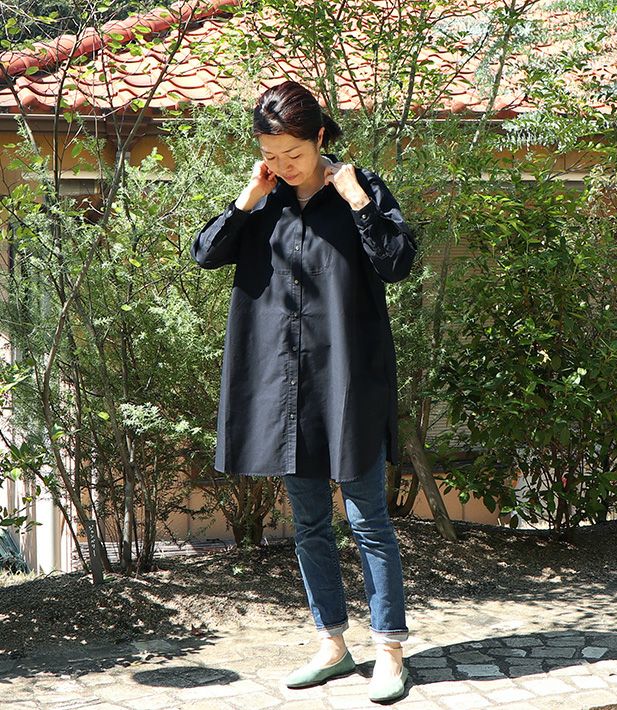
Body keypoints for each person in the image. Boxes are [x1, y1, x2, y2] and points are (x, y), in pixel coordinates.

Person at [190, 80, 417, 703]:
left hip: (348, 382)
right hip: (285, 389)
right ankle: (332, 644)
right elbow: (206, 254)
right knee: (310, 521)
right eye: (271, 155)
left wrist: (359, 201)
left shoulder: (360, 189)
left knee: (369, 519)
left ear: (319, 137)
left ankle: (389, 651)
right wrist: (245, 202)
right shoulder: (263, 202)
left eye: (293, 153)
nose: (283, 165)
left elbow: (397, 262)